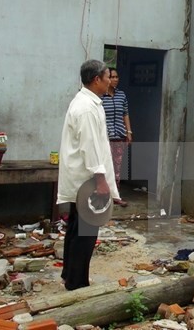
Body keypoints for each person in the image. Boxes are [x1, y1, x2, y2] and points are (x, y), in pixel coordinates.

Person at [57, 59, 121, 290]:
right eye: (107, 78)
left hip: (84, 179)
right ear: (96, 80)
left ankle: (68, 274)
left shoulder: (90, 102)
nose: (110, 82)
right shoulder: (85, 108)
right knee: (86, 233)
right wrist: (101, 182)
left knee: (76, 228)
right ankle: (77, 282)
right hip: (88, 181)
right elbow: (90, 147)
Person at [101, 67, 132, 207]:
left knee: (117, 169)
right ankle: (102, 197)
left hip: (119, 136)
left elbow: (125, 114)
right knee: (103, 168)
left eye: (116, 77)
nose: (115, 79)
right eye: (112, 77)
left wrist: (129, 132)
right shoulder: (100, 96)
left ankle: (116, 196)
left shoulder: (122, 95)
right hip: (104, 138)